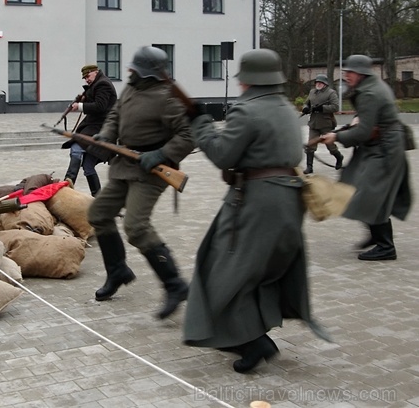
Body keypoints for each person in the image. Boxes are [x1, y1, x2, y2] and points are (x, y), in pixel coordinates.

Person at [183, 48, 328, 373]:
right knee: (259, 272)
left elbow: (223, 155)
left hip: (255, 203)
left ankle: (254, 342)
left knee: (223, 270)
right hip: (288, 200)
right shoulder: (287, 110)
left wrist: (200, 123)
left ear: (248, 80)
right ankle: (238, 333)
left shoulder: (246, 111)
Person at [86, 46, 194, 320]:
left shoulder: (168, 97)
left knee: (135, 226)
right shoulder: (131, 89)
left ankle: (175, 285)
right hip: (124, 165)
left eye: (134, 68)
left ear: (147, 71)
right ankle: (118, 271)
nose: (129, 71)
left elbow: (188, 134)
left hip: (152, 170)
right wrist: (107, 135)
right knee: (98, 214)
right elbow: (114, 115)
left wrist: (162, 154)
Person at [319, 55, 412, 261]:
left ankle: (386, 246)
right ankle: (375, 235)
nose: (346, 76)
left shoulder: (369, 92)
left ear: (361, 73)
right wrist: (353, 121)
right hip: (377, 145)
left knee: (372, 193)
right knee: (356, 186)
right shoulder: (371, 86)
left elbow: (363, 132)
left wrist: (337, 136)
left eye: (350, 73)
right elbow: (367, 119)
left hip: (385, 147)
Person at [61, 65, 117, 196]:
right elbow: (96, 99)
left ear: (95, 72)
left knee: (76, 146)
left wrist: (80, 106)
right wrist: (84, 98)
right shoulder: (98, 83)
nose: (86, 79)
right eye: (84, 78)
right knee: (88, 166)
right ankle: (98, 198)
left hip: (101, 128)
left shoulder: (103, 84)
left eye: (88, 76)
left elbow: (100, 106)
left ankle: (66, 186)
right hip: (97, 126)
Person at [302, 74, 343, 173]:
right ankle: (309, 167)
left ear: (325, 84)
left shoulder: (331, 93)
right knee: (310, 146)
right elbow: (307, 102)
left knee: (331, 146)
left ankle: (339, 157)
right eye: (317, 82)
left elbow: (335, 107)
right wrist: (306, 108)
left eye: (321, 83)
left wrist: (322, 108)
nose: (318, 84)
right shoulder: (312, 92)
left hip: (326, 123)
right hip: (313, 123)